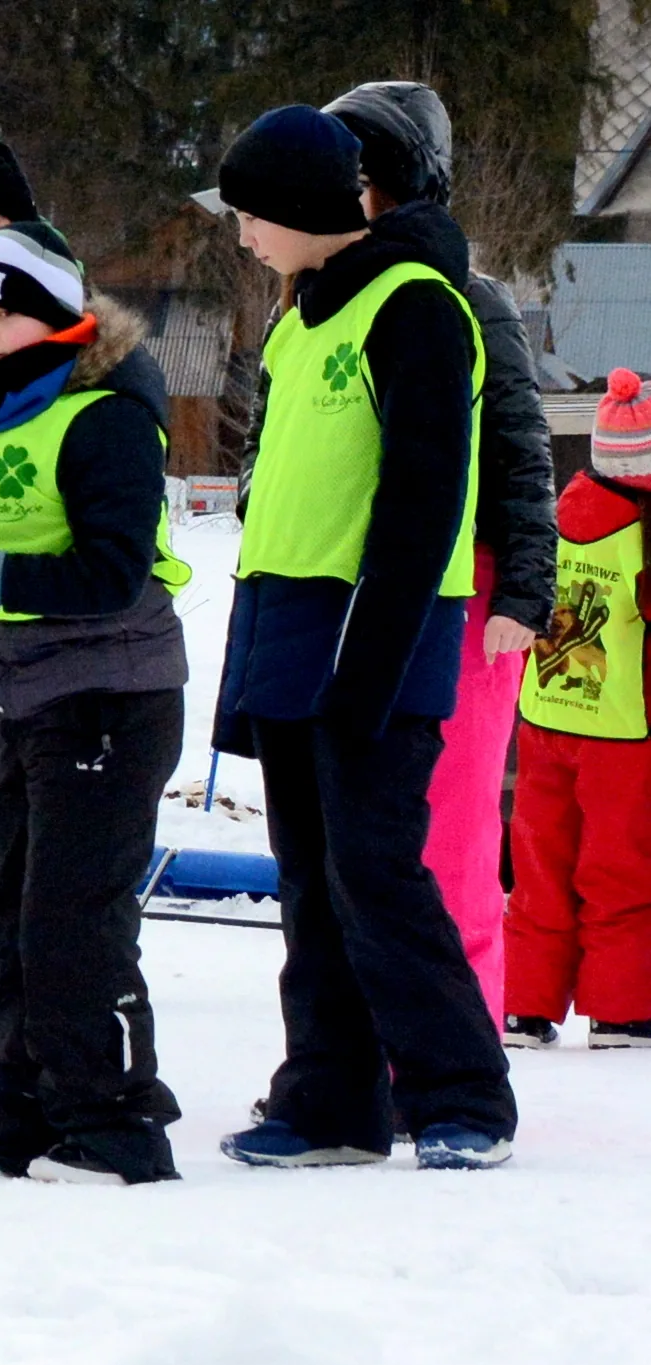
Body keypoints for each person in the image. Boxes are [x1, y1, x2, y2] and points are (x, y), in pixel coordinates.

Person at [206, 106, 516, 1172]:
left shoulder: (419, 306)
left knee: (377, 873)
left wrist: (367, 663)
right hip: (289, 628)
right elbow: (281, 496)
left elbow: (426, 499)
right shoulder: (298, 321)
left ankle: (463, 1094)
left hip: (373, 634)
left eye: (251, 215)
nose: (243, 234)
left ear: (300, 207)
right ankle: (329, 1099)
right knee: (309, 879)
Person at [0, 223, 190, 1184]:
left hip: (111, 692)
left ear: (55, 314)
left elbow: (110, 570)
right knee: (8, 911)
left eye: (0, 313)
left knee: (73, 919)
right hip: (23, 695)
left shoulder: (105, 414)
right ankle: (21, 1113)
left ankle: (115, 1123)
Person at [315, 81, 558, 1029]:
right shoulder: (318, 300)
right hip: (351, 590)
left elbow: (519, 446)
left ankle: (451, 1050)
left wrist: (524, 592)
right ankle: (355, 1049)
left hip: (469, 590)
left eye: (358, 176)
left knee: (449, 836)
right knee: (359, 834)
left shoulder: (466, 298)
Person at [503, 370, 651, 1049]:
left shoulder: (562, 512)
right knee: (619, 869)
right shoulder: (643, 534)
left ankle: (523, 1006)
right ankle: (621, 1010)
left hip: (546, 715)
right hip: (623, 733)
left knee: (538, 865)